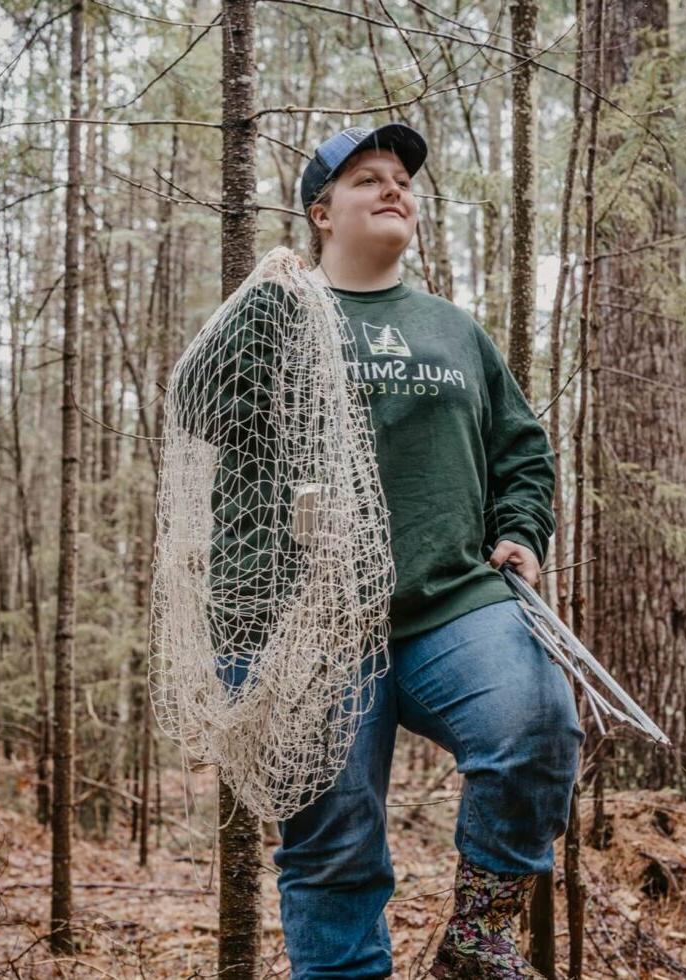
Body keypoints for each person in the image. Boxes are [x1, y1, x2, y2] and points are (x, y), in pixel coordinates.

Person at [268, 122, 585, 979]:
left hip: (454, 601)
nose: (395, 188)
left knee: (537, 724)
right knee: (333, 845)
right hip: (317, 626)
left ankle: (478, 941)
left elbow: (523, 449)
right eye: (367, 178)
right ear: (320, 211)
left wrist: (522, 532)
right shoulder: (277, 319)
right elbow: (203, 423)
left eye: (403, 177)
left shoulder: (454, 330)